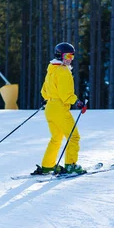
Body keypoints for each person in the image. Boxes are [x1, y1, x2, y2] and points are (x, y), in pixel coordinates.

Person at [32, 42, 87, 176]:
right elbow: (66, 94)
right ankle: (70, 165)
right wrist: (78, 102)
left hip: (50, 108)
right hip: (60, 108)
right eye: (67, 55)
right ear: (60, 55)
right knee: (73, 137)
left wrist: (49, 99)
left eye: (72, 56)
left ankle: (47, 165)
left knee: (56, 138)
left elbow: (44, 90)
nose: (70, 59)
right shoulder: (63, 71)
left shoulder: (51, 69)